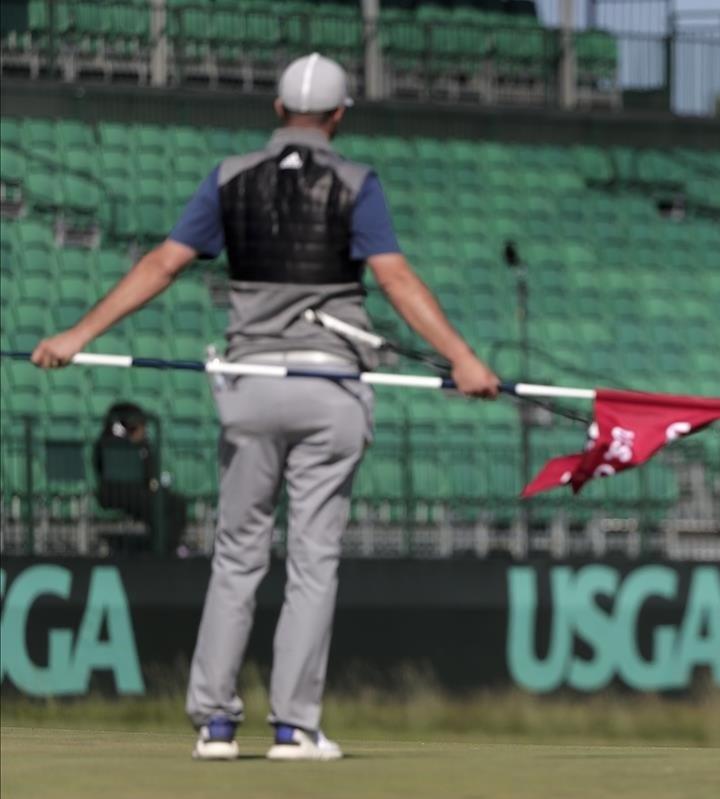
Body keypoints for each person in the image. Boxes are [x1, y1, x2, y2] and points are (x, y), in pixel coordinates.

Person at [31, 52, 500, 761]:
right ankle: (294, 727)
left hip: (248, 388)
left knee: (236, 556)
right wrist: (463, 357)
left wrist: (76, 335)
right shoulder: (356, 183)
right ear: (340, 116)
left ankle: (214, 723)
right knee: (312, 561)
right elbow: (396, 278)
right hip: (328, 389)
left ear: (277, 111)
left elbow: (163, 263)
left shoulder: (228, 179)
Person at [93, 401, 188, 554]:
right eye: (138, 426)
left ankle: (166, 548)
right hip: (115, 494)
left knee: (176, 503)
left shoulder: (144, 447)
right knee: (153, 504)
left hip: (140, 493)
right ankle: (159, 548)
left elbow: (150, 474)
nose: (143, 430)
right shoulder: (106, 444)